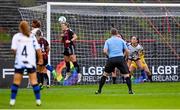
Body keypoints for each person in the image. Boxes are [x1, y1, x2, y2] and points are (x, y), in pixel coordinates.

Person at [10, 21, 43, 106]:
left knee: (16, 81)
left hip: (20, 61)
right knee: (34, 81)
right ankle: (38, 100)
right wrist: (40, 59)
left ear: (20, 28)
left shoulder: (16, 36)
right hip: (30, 62)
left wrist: (17, 57)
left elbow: (13, 50)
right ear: (27, 27)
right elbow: (38, 49)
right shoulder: (32, 37)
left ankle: (12, 100)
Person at [95, 28, 133, 94]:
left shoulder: (108, 41)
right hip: (120, 58)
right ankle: (130, 91)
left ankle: (99, 90)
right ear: (117, 33)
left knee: (105, 74)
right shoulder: (121, 40)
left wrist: (109, 55)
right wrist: (124, 56)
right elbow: (127, 51)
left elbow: (104, 51)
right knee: (126, 75)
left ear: (111, 33)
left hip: (111, 59)